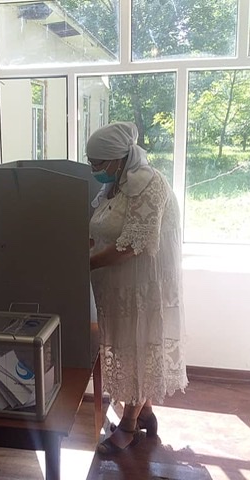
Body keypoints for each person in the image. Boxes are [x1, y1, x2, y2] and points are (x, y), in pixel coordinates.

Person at [87, 121, 188, 454]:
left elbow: (134, 244)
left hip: (143, 287)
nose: (94, 169)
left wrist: (86, 263)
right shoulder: (114, 187)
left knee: (139, 348)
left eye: (98, 162)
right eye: (91, 162)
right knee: (127, 348)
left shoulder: (149, 184)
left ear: (119, 158)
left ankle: (128, 428)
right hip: (118, 286)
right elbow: (105, 227)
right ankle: (145, 415)